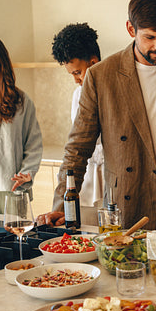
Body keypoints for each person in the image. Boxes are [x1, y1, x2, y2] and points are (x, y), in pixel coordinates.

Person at [36, 0, 156, 234]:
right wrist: (60, 204)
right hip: (128, 210)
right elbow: (78, 149)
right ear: (131, 29)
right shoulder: (102, 76)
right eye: (150, 37)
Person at [0, 36, 43, 193]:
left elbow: (33, 143)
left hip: (11, 188)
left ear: (2, 63)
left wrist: (27, 172)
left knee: (15, 219)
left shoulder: (22, 101)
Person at [51, 22, 104, 207]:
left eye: (78, 72)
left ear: (94, 62)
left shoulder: (115, 90)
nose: (76, 80)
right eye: (71, 74)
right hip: (86, 175)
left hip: (111, 176)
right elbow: (78, 142)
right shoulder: (78, 96)